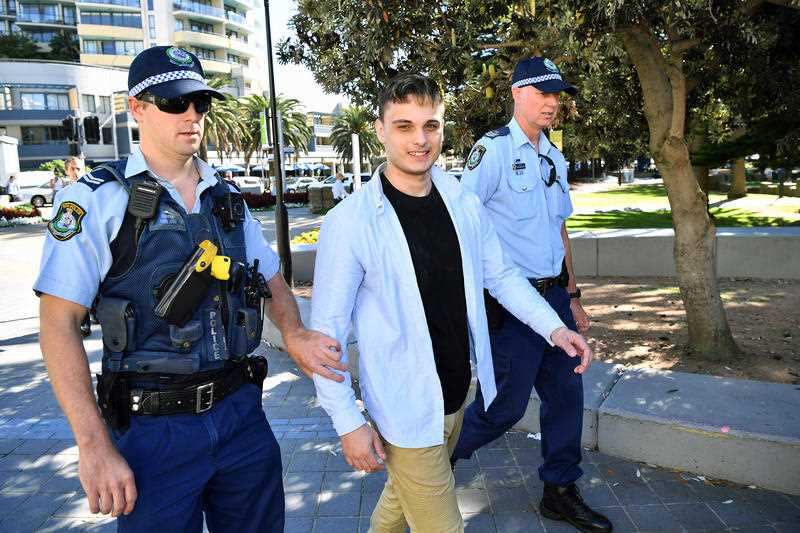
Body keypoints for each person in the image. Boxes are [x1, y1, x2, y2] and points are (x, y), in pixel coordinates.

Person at [35, 46, 345, 532]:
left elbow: (270, 277)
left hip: (241, 416)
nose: (192, 115)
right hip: (153, 432)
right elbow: (58, 326)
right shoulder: (93, 201)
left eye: (200, 103)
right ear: (137, 107)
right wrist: (93, 445)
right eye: (175, 102)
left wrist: (297, 332)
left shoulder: (226, 196)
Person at [311, 73, 592, 533]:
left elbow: (500, 276)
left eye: (431, 126)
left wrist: (555, 328)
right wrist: (348, 422)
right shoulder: (351, 222)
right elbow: (326, 334)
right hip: (404, 408)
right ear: (380, 130)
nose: (420, 140)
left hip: (456, 395)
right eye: (404, 126)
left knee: (398, 504)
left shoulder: (461, 201)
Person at [452, 57, 612, 532]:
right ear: (518, 93)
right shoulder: (492, 151)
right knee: (504, 408)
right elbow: (463, 229)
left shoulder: (553, 156)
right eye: (542, 93)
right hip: (509, 303)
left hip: (555, 300)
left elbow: (558, 230)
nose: (552, 102)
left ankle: (559, 491)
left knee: (566, 396)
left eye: (557, 94)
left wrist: (574, 295)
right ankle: (434, 462)